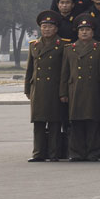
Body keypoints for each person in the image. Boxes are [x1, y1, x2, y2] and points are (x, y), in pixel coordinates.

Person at [25, 13, 69, 161]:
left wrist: (64, 91)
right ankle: (38, 153)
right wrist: (27, 89)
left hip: (54, 89)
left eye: (50, 27)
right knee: (38, 123)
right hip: (38, 88)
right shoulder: (34, 45)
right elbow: (30, 69)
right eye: (44, 27)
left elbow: (65, 70)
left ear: (56, 29)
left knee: (55, 122)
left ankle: (54, 153)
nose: (47, 29)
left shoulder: (63, 45)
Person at [62, 17, 100, 161]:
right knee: (76, 123)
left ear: (93, 32)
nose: (85, 32)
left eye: (87, 30)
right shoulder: (69, 49)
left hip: (92, 90)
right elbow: (65, 73)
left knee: (92, 122)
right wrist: (63, 92)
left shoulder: (99, 48)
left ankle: (93, 152)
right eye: (82, 30)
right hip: (75, 90)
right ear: (78, 32)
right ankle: (76, 153)